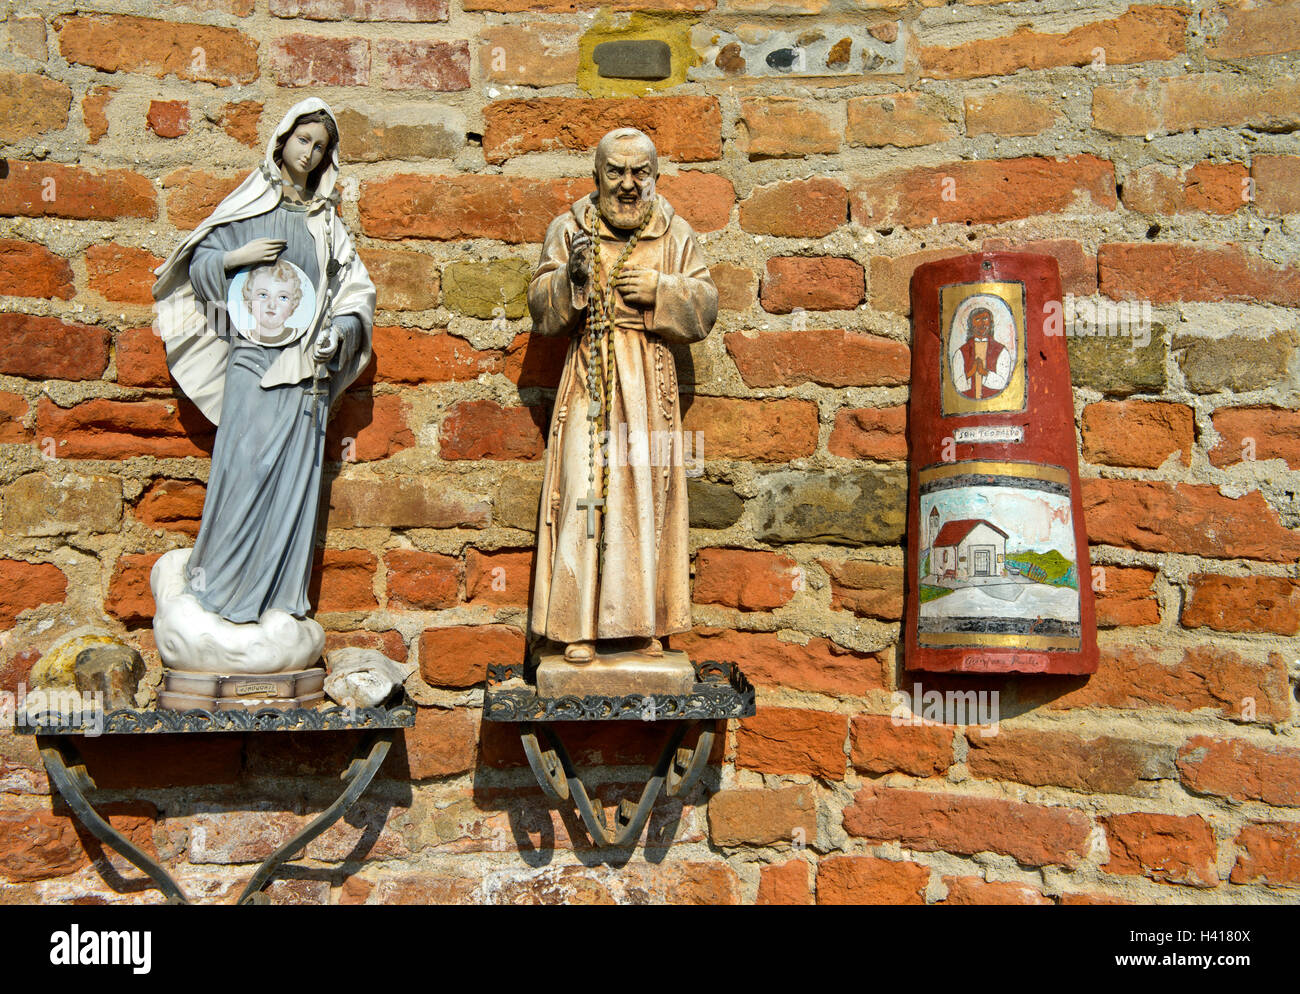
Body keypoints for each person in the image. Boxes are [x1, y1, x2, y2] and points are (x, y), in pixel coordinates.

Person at [151, 98, 375, 625]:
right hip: (253, 363)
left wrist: (339, 334)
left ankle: (276, 605)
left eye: (320, 147)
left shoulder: (327, 225)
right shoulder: (250, 203)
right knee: (244, 470)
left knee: (295, 485)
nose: (309, 153)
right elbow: (198, 263)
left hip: (307, 377)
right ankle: (218, 596)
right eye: (303, 140)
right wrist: (237, 259)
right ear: (282, 140)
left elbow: (353, 295)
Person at [527, 128, 718, 664]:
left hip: (649, 386)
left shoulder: (674, 232)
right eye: (616, 172)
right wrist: (572, 277)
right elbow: (541, 311)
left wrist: (660, 290)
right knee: (583, 495)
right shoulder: (569, 230)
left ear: (654, 178)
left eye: (641, 174)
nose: (629, 185)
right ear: (597, 176)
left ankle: (643, 624)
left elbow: (704, 304)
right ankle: (576, 624)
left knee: (642, 498)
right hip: (589, 381)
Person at [241, 259, 305, 345]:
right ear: (249, 299)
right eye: (263, 295)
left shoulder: (304, 338)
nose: (272, 305)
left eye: (283, 297)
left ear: (293, 304)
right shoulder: (239, 337)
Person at [954, 306, 1010, 401]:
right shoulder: (961, 352)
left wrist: (984, 372)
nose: (982, 324)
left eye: (985, 319)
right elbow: (957, 385)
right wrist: (971, 372)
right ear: (971, 325)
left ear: (991, 323)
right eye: (977, 319)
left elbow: (1003, 383)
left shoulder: (1001, 350)